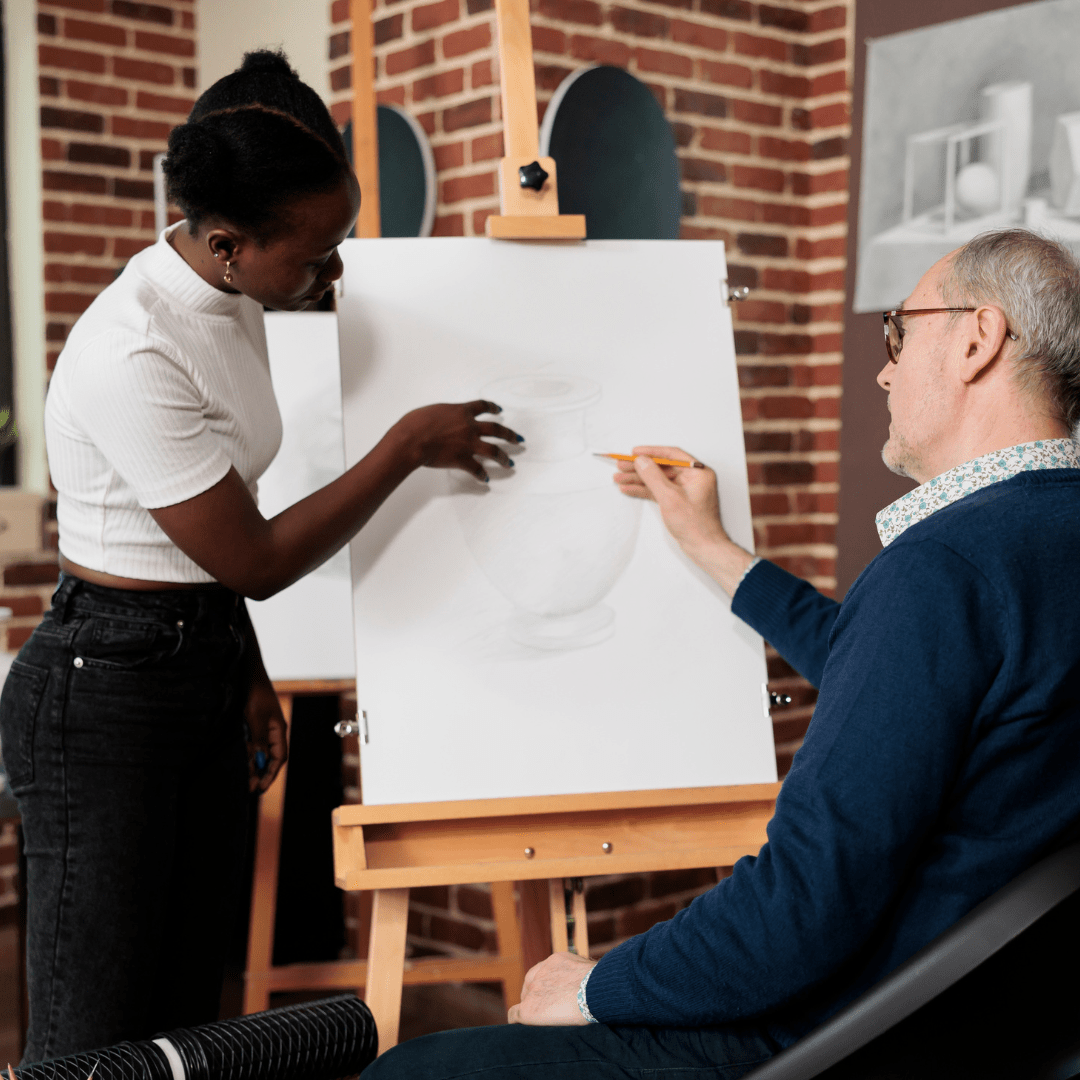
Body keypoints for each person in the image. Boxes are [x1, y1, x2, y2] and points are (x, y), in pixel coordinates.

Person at [362, 229, 1080, 1078]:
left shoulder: (942, 571)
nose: (885, 369)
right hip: (994, 1027)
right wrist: (712, 547)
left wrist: (596, 986)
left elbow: (801, 911)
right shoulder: (1031, 551)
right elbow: (891, 676)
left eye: (902, 331)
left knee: (406, 1072)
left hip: (835, 1035)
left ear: (976, 340)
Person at [0, 50, 520, 1063]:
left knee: (191, 1017)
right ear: (230, 242)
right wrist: (407, 445)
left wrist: (241, 668)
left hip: (191, 654)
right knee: (92, 1033)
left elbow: (217, 533)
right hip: (100, 689)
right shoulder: (133, 348)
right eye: (319, 251)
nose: (333, 272)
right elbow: (253, 555)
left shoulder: (235, 299)